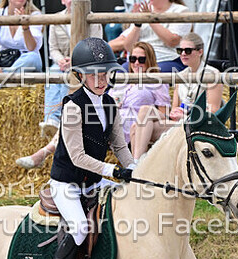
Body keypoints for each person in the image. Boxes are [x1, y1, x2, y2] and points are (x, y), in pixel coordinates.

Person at [43, 37, 136, 259]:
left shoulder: (110, 103)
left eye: (105, 73)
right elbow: (77, 156)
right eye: (94, 74)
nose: (101, 80)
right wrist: (112, 171)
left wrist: (134, 169)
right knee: (80, 228)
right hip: (67, 183)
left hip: (94, 182)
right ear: (81, 76)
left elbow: (119, 146)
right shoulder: (73, 106)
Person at [16, 41, 169, 169]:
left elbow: (163, 113)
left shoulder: (156, 81)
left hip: (131, 126)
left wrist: (143, 113)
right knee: (78, 114)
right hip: (108, 121)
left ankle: (133, 167)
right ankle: (43, 153)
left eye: (141, 59)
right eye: (133, 58)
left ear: (150, 60)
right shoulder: (121, 80)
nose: (136, 63)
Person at [129, 32, 222, 159]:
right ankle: (137, 164)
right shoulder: (181, 75)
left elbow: (213, 111)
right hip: (179, 122)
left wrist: (186, 116)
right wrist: (176, 113)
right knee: (144, 112)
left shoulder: (212, 74)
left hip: (197, 124)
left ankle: (136, 165)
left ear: (200, 52)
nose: (183, 54)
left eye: (187, 50)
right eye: (180, 50)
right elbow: (174, 109)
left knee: (136, 128)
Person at [42, 0, 104, 139]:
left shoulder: (93, 19)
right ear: (63, 1)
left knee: (72, 75)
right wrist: (60, 60)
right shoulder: (56, 19)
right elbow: (53, 48)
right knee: (52, 73)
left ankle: (64, 117)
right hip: (61, 63)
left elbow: (96, 47)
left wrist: (75, 61)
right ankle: (51, 119)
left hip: (85, 64)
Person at [109, 0, 192, 73]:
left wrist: (150, 19)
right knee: (120, 72)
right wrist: (137, 24)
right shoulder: (143, 9)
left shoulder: (181, 11)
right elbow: (128, 47)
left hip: (166, 59)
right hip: (137, 60)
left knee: (153, 75)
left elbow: (172, 41)